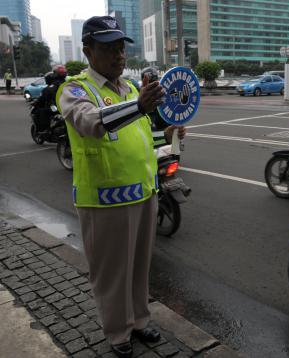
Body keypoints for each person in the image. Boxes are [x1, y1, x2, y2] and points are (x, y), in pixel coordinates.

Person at [56, 16, 186, 358]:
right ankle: (118, 333)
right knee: (112, 272)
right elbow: (89, 123)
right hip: (104, 201)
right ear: (87, 51)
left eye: (120, 48)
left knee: (139, 267)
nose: (118, 55)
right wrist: (141, 106)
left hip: (144, 193)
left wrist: (169, 132)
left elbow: (144, 134)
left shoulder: (129, 89)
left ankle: (140, 321)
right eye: (107, 48)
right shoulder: (75, 89)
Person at [35, 65, 67, 132]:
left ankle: (44, 129)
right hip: (67, 108)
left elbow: (42, 99)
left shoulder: (49, 88)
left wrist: (36, 103)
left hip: (57, 108)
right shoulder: (69, 84)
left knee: (40, 111)